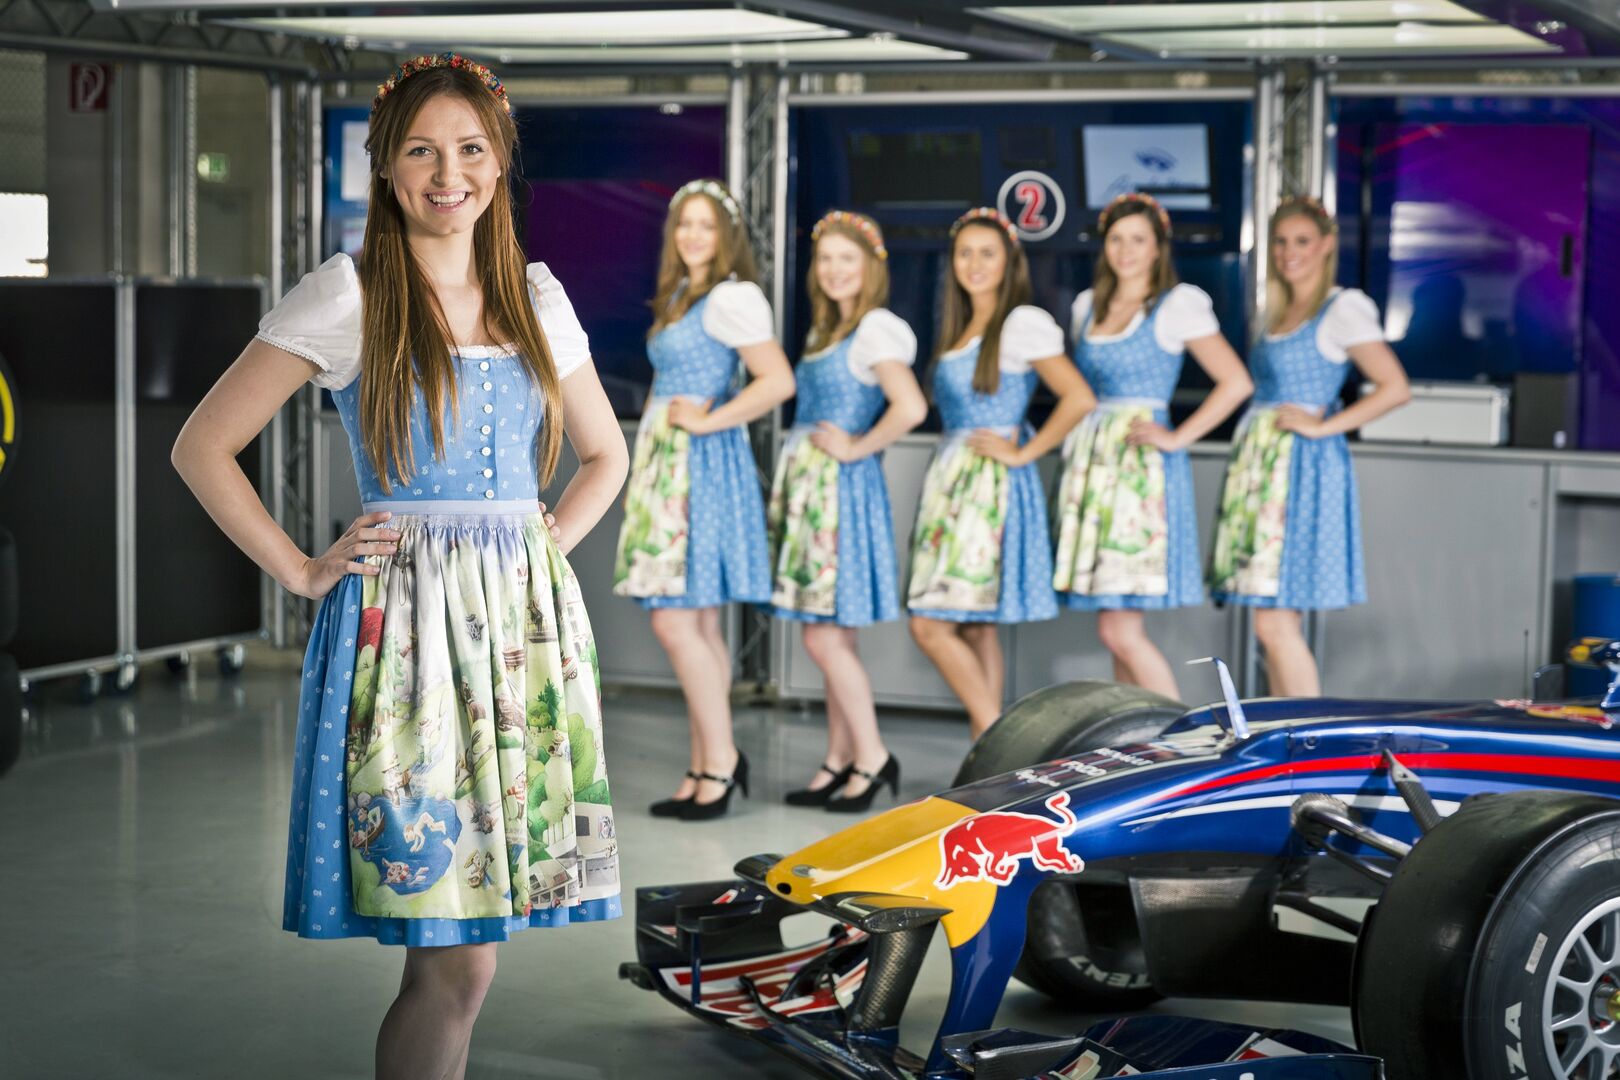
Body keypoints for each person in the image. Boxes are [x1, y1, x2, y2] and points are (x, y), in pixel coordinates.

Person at [171, 53, 629, 1078]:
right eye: (421, 151)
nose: (447, 173)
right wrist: (300, 570)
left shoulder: (535, 296)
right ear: (385, 167)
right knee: (455, 949)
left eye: (470, 149)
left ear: (499, 163)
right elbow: (202, 445)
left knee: (472, 950)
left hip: (518, 640)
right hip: (407, 636)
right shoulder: (349, 293)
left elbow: (607, 457)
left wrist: (536, 556)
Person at [615, 178, 794, 821]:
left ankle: (719, 762)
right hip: (671, 461)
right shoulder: (682, 294)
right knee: (701, 624)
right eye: (685, 224)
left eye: (706, 225)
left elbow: (777, 380)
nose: (693, 235)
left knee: (678, 621)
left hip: (702, 464)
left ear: (727, 236)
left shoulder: (730, 296)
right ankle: (705, 763)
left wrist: (709, 420)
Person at [1051, 193, 1252, 699]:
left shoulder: (1175, 305)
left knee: (1119, 630)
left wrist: (1177, 437)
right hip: (1095, 467)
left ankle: (1182, 734)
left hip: (1140, 475)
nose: (1126, 250)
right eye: (1117, 239)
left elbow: (1235, 382)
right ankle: (1136, 735)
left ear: (1158, 247)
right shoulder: (1087, 306)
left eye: (1138, 240)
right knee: (1117, 630)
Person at [1208, 196, 1411, 696]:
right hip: (1263, 467)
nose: (1289, 252)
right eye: (1280, 242)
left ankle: (1308, 735)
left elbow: (1394, 387)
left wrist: (1325, 426)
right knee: (1272, 624)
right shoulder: (1279, 310)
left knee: (1274, 623)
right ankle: (1290, 732)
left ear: (1325, 245)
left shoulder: (1340, 308)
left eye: (1301, 241)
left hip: (1299, 469)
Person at [908, 208, 1095, 738]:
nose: (974, 264)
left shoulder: (1019, 323)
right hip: (952, 482)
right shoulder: (961, 324)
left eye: (987, 253)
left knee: (930, 625)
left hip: (987, 488)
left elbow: (1079, 397)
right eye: (965, 253)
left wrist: (1023, 451)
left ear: (1009, 262)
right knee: (976, 628)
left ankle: (995, 737)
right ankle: (988, 757)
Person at [769, 211, 926, 812]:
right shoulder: (830, 328)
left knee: (824, 637)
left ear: (870, 268)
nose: (834, 270)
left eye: (847, 259)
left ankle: (872, 757)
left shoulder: (874, 329)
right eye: (826, 259)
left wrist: (857, 447)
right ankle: (839, 758)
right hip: (817, 492)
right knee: (835, 636)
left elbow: (910, 405)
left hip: (839, 494)